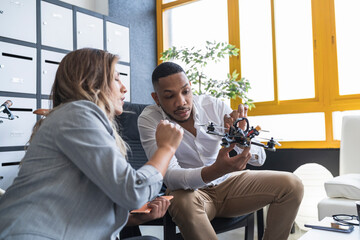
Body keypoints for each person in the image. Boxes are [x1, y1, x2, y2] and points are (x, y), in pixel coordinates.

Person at [0, 49, 183, 240]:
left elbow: (78, 205)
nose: (124, 88)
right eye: (116, 79)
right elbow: (134, 192)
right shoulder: (78, 113)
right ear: (92, 83)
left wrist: (131, 220)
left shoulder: (77, 117)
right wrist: (166, 148)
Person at [138, 61, 304, 240]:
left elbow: (259, 158)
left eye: (185, 92)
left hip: (229, 184)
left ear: (191, 88)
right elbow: (169, 175)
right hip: (191, 194)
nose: (181, 102)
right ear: (156, 98)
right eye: (170, 96)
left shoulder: (213, 106)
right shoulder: (149, 120)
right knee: (180, 200)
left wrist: (241, 138)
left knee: (292, 185)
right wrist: (216, 170)